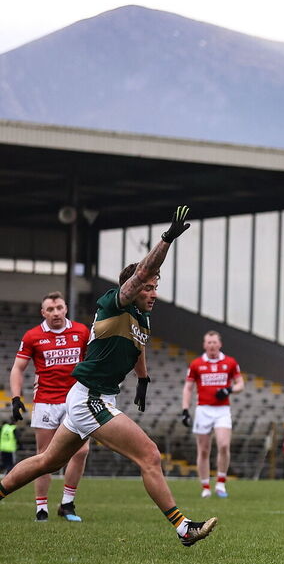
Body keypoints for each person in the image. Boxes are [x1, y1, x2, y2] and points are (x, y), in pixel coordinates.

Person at [0, 206, 217, 546]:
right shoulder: (114, 304)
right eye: (149, 287)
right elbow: (144, 270)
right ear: (133, 287)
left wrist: (142, 380)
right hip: (90, 397)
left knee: (47, 461)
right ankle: (183, 527)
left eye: (156, 287)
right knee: (149, 454)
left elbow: (139, 347)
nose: (154, 292)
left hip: (94, 396)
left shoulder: (142, 318)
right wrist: (166, 240)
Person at [8, 291, 93, 521]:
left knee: (82, 451)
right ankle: (41, 508)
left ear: (65, 309)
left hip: (75, 400)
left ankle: (67, 504)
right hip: (45, 401)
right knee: (44, 456)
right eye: (50, 309)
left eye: (59, 308)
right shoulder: (33, 336)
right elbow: (17, 368)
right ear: (43, 312)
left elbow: (91, 361)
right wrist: (16, 398)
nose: (55, 313)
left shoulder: (81, 332)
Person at [181, 330, 244, 498]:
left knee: (224, 445)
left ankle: (221, 483)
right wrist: (185, 409)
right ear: (204, 345)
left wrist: (229, 389)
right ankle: (205, 486)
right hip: (203, 409)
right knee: (203, 450)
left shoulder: (230, 362)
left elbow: (240, 384)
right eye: (209, 342)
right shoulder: (196, 364)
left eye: (214, 342)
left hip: (222, 410)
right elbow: (188, 387)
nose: (212, 345)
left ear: (220, 344)